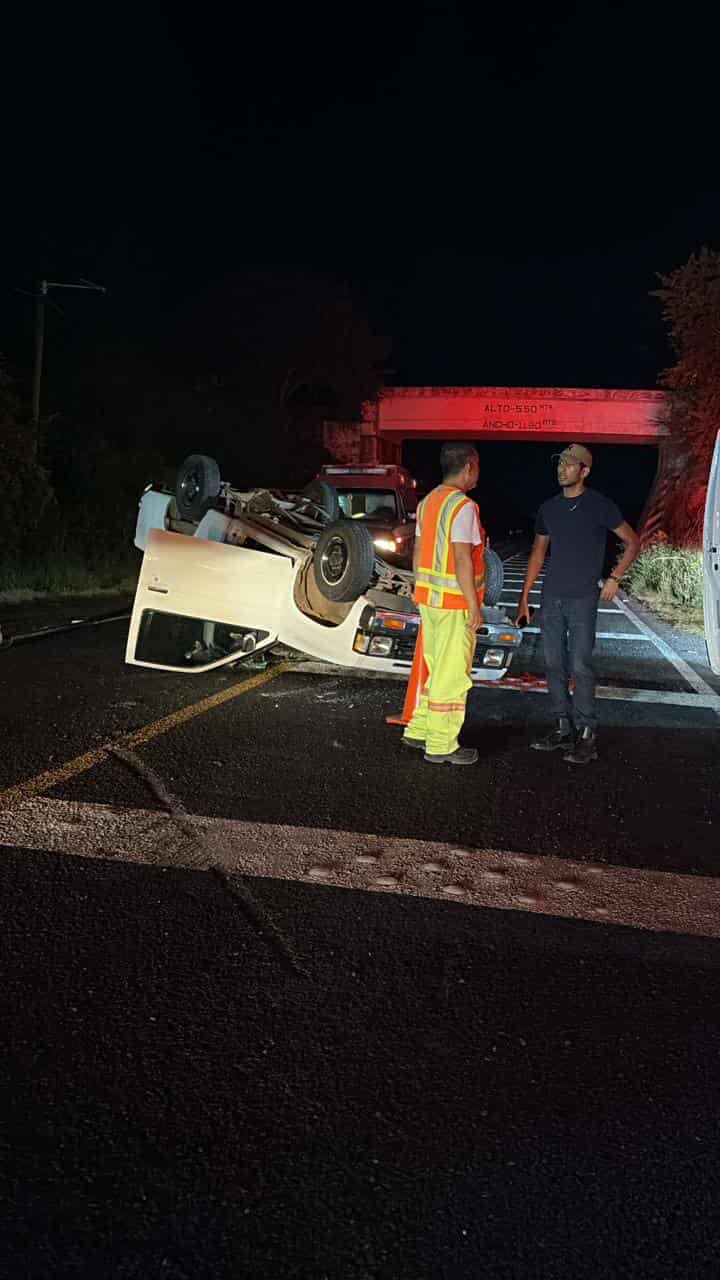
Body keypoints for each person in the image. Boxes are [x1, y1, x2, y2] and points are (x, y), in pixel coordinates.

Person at [515, 443, 640, 765]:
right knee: (553, 664)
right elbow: (538, 553)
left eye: (569, 464)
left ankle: (586, 733)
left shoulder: (600, 505)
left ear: (585, 471)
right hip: (551, 597)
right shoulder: (549, 508)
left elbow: (632, 541)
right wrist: (524, 597)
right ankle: (562, 727)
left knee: (581, 666)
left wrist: (614, 578)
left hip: (583, 598)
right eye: (560, 463)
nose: (562, 469)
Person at [402, 442, 485, 765]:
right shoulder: (462, 506)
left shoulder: (428, 503)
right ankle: (441, 744)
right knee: (451, 674)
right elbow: (462, 558)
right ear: (468, 467)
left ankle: (420, 728)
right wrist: (474, 606)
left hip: (428, 600)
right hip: (453, 605)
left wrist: (418, 591)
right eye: (477, 468)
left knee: (436, 667)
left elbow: (418, 551)